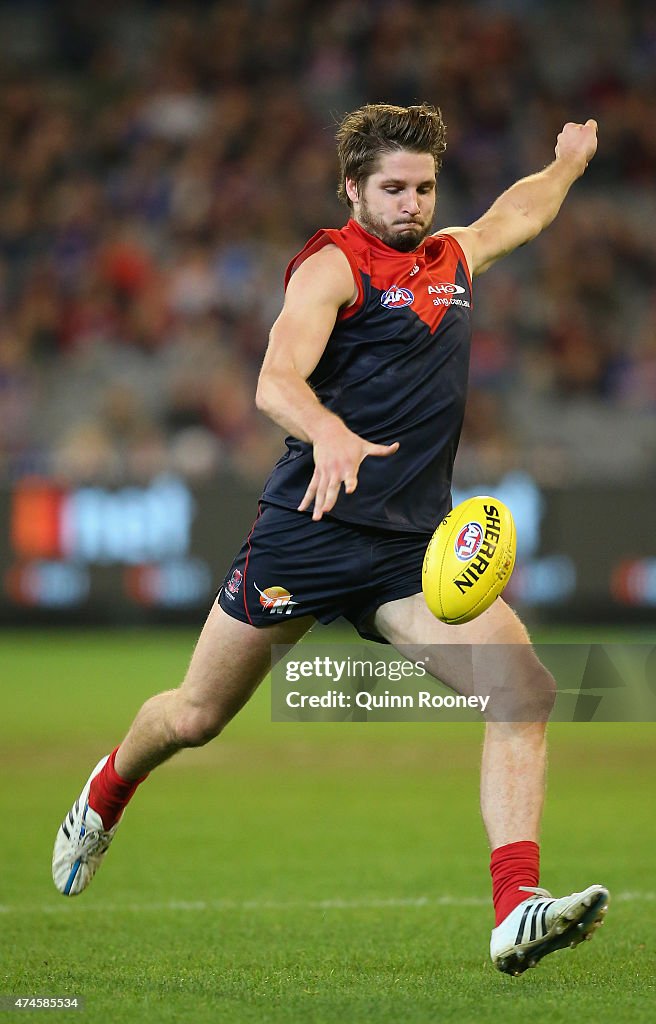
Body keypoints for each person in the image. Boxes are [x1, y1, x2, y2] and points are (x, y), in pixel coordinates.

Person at [52, 103, 608, 975]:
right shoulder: (330, 267)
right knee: (194, 718)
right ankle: (106, 791)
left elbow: (518, 211)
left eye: (423, 187)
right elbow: (275, 378)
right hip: (306, 536)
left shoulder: (450, 259)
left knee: (523, 692)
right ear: (352, 188)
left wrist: (567, 164)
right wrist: (329, 431)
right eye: (392, 188)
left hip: (408, 552)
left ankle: (514, 908)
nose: (411, 204)